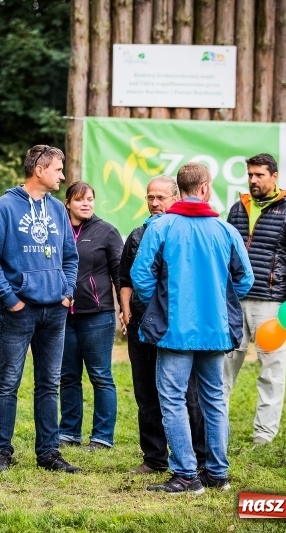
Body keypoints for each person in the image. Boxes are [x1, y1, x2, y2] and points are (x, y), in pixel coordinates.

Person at [132, 162, 253, 493]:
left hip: (174, 331)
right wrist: (220, 301)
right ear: (205, 188)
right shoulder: (226, 230)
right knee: (214, 399)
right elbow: (245, 278)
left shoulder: (161, 227)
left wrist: (159, 304)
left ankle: (187, 475)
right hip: (214, 330)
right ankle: (216, 474)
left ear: (180, 190)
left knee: (172, 399)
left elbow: (141, 276)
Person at [0, 144, 80, 473]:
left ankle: (48, 452)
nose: (62, 176)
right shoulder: (4, 207)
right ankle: (2, 451)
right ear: (39, 169)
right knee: (8, 382)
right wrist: (11, 299)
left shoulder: (58, 210)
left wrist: (66, 292)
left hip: (55, 310)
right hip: (19, 312)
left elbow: (70, 256)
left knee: (50, 384)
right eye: (57, 170)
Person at [119, 175, 206, 474]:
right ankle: (154, 458)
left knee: (188, 394)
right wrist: (126, 309)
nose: (155, 203)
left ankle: (199, 458)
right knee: (146, 394)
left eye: (161, 198)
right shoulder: (136, 235)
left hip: (179, 327)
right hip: (142, 327)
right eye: (150, 197)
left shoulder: (187, 233)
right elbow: (126, 279)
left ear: (176, 198)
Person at [223, 153, 286, 445]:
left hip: (272, 303)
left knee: (271, 370)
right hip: (235, 300)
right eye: (250, 174)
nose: (252, 180)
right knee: (223, 364)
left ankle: (264, 434)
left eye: (259, 175)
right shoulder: (237, 209)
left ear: (274, 176)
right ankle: (215, 428)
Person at [58, 181, 121, 450]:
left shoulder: (106, 232)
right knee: (68, 376)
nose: (86, 204)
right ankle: (69, 432)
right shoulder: (55, 230)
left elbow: (120, 274)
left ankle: (102, 437)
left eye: (90, 199)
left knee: (100, 376)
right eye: (80, 199)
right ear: (68, 203)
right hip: (62, 315)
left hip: (98, 315)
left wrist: (124, 311)